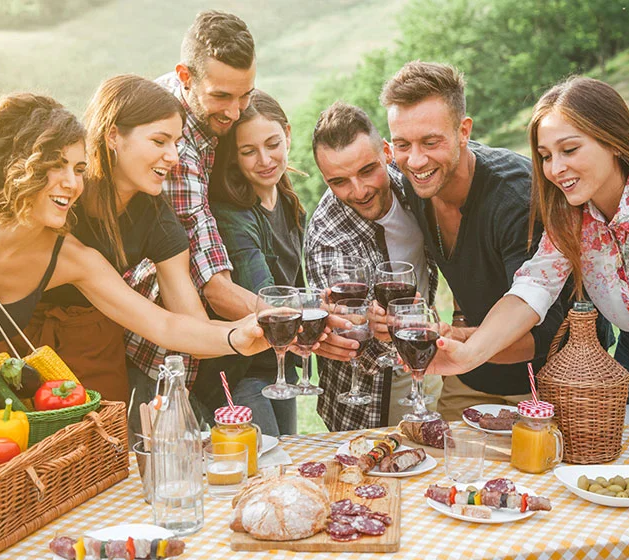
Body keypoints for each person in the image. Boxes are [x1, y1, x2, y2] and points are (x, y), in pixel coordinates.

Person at [428, 76, 629, 431]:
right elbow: (531, 290)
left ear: (613, 140)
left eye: (569, 150)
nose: (555, 169)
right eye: (545, 156)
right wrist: (466, 357)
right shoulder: (571, 213)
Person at [0, 93, 270, 384]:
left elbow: (164, 325)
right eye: (55, 165)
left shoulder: (71, 259)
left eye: (79, 170)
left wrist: (236, 336)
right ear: (16, 167)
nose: (72, 183)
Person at [379, 61, 613, 422]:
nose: (415, 159)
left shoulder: (517, 201)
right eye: (402, 144)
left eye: (430, 141)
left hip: (551, 383)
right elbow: (354, 183)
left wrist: (460, 339)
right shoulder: (412, 177)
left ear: (463, 130)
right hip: (471, 373)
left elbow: (545, 333)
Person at [26, 73, 219, 429]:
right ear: (113, 135)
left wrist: (259, 330)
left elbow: (191, 325)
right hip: (22, 347)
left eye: (177, 142)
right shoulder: (64, 193)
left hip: (98, 350)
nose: (173, 156)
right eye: (160, 141)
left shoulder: (156, 216)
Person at [124, 10, 261, 419]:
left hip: (187, 335)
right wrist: (285, 320)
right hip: (150, 350)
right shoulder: (175, 149)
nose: (236, 112)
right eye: (222, 97)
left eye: (246, 95)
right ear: (185, 76)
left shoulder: (207, 101)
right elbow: (214, 285)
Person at [304, 101, 440, 431]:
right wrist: (371, 325)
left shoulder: (416, 185)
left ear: (387, 153)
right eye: (339, 181)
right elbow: (350, 339)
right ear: (325, 178)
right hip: (371, 394)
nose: (359, 190)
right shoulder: (326, 236)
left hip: (427, 357)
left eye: (367, 171)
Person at [208, 90, 305, 435]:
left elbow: (298, 287)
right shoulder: (232, 215)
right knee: (267, 469)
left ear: (288, 135)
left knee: (287, 460)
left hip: (280, 364)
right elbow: (265, 295)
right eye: (249, 151)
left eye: (273, 144)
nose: (265, 159)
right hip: (243, 372)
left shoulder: (289, 201)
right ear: (233, 157)